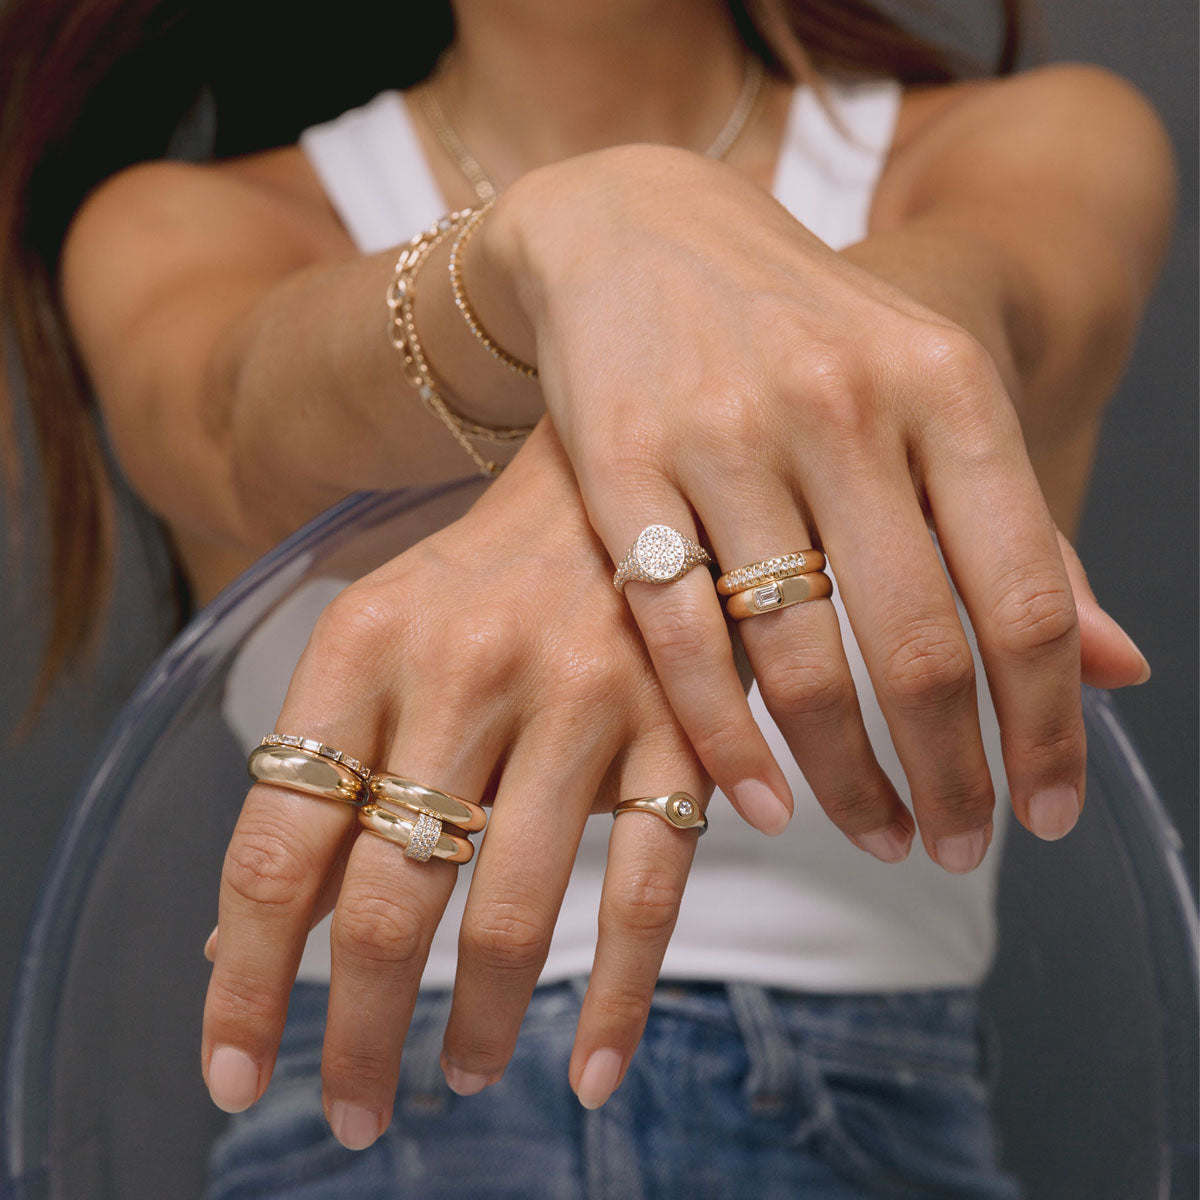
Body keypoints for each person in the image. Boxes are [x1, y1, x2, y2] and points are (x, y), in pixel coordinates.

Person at [1, 0, 1174, 1195]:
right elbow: (239, 417)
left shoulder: (1033, 145)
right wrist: (562, 238)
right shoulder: (192, 226)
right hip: (364, 1131)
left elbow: (967, 311)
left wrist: (590, 483)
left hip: (871, 1131)